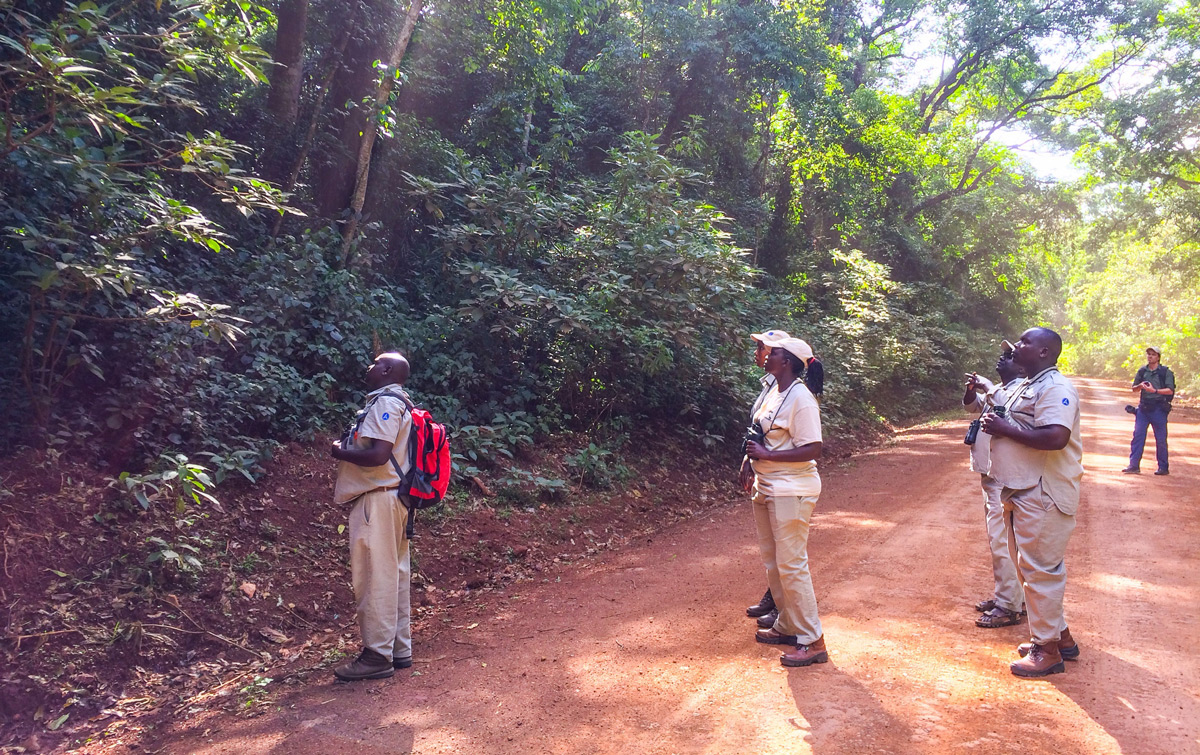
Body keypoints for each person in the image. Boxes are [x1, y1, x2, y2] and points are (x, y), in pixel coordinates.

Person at [982, 327, 1083, 678]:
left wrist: (1005, 430)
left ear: (1044, 352)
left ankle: (1047, 651)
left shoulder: (1056, 388)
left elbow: (1056, 437)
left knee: (1041, 570)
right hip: (1023, 489)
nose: (1017, 345)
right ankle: (1060, 638)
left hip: (1044, 492)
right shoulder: (1029, 384)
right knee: (1032, 568)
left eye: (1025, 342)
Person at [329, 352, 416, 681]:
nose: (368, 367)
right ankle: (398, 649)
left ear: (387, 370)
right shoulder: (399, 403)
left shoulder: (384, 403)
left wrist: (339, 451)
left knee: (376, 577)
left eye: (374, 363)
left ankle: (377, 656)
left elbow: (379, 455)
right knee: (394, 575)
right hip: (394, 498)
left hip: (378, 499)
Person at [745, 335, 828, 668]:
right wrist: (751, 462)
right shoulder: (774, 393)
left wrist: (766, 455)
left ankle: (812, 640)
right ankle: (788, 625)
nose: (768, 356)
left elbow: (813, 448)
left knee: (792, 564)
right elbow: (760, 434)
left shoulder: (801, 399)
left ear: (789, 361)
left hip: (792, 489)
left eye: (775, 352)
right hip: (767, 485)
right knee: (774, 562)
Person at [963, 347, 1025, 629]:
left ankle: (1009, 605)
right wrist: (975, 389)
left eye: (1009, 356)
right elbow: (973, 405)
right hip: (992, 474)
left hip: (1002, 476)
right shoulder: (1000, 389)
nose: (1002, 357)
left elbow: (1006, 415)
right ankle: (1013, 597)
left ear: (1022, 367)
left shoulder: (1018, 391)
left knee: (1002, 541)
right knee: (1005, 542)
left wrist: (987, 388)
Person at [742, 329, 791, 628]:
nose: (759, 353)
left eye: (764, 348)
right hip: (765, 471)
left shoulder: (787, 389)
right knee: (773, 545)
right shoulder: (769, 385)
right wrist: (748, 459)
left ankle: (784, 608)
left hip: (783, 478)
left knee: (785, 546)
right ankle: (774, 597)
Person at [1122, 346, 1174, 476]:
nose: (1150, 356)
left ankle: (1163, 467)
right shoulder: (1143, 371)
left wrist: (1154, 391)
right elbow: (1134, 388)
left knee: (1161, 439)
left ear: (1158, 357)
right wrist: (1140, 386)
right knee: (1138, 436)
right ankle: (1134, 465)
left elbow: (1170, 390)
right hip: (1144, 408)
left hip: (1158, 408)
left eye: (1153, 354)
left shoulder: (1165, 372)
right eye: (1149, 354)